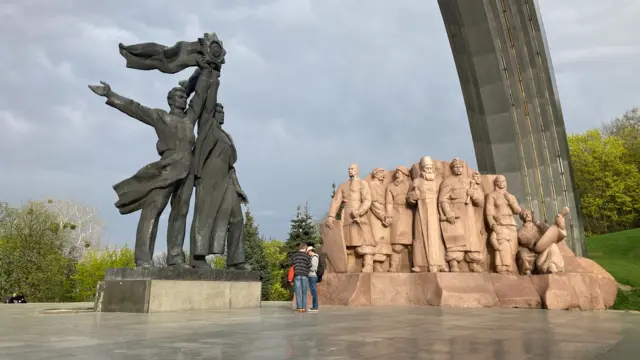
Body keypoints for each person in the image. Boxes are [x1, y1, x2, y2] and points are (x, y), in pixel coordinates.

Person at [291, 242, 311, 312]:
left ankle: (299, 307)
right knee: (304, 292)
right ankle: (303, 308)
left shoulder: (295, 255)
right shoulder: (307, 256)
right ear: (305, 248)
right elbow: (309, 266)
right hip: (305, 275)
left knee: (297, 291)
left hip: (297, 275)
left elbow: (293, 264)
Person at [307, 246, 320, 312]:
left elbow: (314, 268)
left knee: (314, 292)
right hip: (311, 276)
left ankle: (315, 307)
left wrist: (308, 268)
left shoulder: (314, 257)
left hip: (312, 276)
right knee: (313, 292)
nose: (307, 253)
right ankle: (314, 306)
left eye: (307, 252)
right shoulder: (312, 257)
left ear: (310, 251)